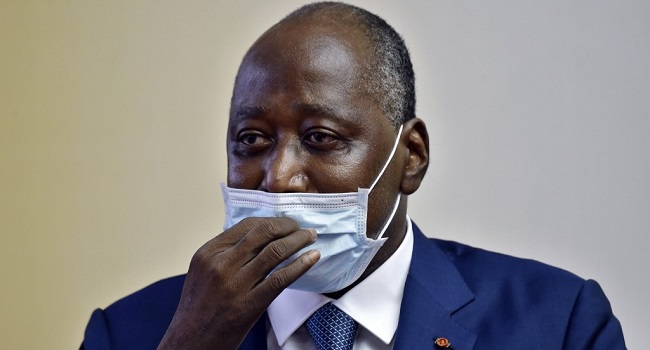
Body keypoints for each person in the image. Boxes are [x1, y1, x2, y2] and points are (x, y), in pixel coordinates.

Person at [81, 2, 626, 349]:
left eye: (320, 138)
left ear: (410, 157)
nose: (278, 178)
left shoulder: (560, 324)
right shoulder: (127, 332)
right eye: (251, 141)